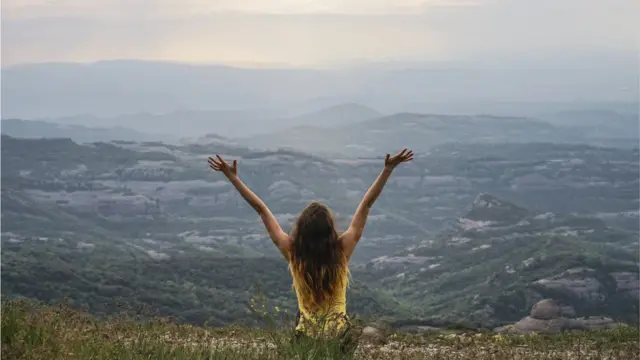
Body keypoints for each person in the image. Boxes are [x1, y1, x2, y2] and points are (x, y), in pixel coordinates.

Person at [207, 149, 413, 348]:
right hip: (340, 337)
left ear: (301, 229)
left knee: (301, 320)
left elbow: (261, 210)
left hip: (306, 339)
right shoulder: (341, 251)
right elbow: (366, 205)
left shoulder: (293, 253)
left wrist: (233, 178)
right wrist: (387, 170)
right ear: (330, 229)